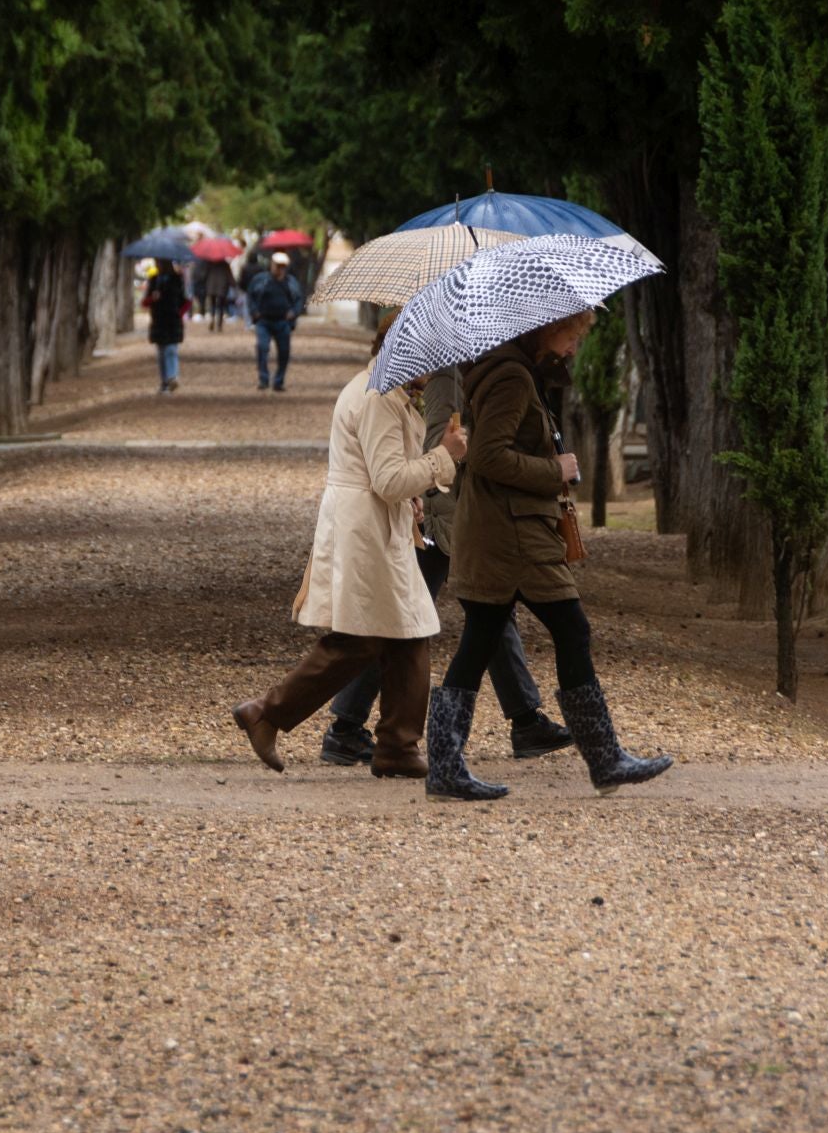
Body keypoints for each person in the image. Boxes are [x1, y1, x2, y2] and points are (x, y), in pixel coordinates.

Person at [427, 311, 673, 801]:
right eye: (570, 333)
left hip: (504, 531)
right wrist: (553, 468)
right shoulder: (512, 377)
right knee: (569, 629)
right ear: (543, 326)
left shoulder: (517, 371)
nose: (576, 345)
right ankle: (604, 760)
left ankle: (445, 767)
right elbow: (488, 457)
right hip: (512, 537)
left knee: (480, 640)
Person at [232, 318, 468, 776]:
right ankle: (268, 712)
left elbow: (387, 475)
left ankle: (398, 746)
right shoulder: (379, 396)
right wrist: (445, 457)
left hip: (372, 524)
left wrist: (413, 498)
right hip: (365, 531)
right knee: (361, 639)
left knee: (408, 631)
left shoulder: (382, 390)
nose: (435, 370)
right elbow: (387, 479)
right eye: (430, 358)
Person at [318, 363, 574, 766]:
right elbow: (441, 446)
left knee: (490, 612)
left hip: (460, 512)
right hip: (446, 516)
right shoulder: (447, 380)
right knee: (398, 622)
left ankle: (526, 721)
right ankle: (344, 728)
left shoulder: (467, 374)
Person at [246, 252, 303, 391]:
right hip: (263, 321)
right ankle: (263, 378)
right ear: (271, 265)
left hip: (283, 322)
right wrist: (254, 312)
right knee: (262, 347)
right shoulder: (261, 280)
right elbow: (250, 296)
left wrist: (294, 313)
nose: (279, 269)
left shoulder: (291, 283)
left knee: (284, 352)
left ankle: (279, 380)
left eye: (282, 267)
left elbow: (299, 299)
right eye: (277, 266)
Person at [143, 260, 187, 393]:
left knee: (171, 349)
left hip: (173, 319)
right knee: (162, 352)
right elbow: (145, 302)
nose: (158, 264)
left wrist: (179, 312)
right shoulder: (154, 280)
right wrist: (153, 299)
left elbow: (185, 300)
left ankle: (172, 377)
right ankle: (164, 382)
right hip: (159, 320)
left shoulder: (178, 279)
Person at [198, 257, 233, 332]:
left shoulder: (209, 264)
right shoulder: (225, 264)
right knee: (221, 306)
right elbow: (229, 275)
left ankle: (212, 319)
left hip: (211, 287)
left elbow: (203, 275)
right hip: (222, 287)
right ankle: (219, 324)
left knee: (213, 305)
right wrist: (233, 284)